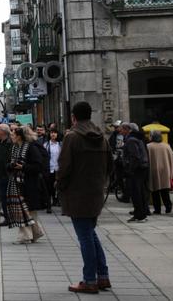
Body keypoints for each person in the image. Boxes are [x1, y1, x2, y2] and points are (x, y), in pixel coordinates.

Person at [57, 101, 113, 294]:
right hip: (96, 192)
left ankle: (90, 280)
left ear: (73, 117)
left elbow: (64, 167)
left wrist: (60, 185)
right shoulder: (102, 137)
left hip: (77, 194)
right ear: (90, 115)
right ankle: (103, 276)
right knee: (90, 233)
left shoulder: (72, 137)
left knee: (85, 237)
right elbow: (110, 166)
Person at [6, 126, 45, 244]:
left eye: (13, 134)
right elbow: (9, 163)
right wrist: (10, 166)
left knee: (25, 211)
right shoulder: (14, 148)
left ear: (19, 136)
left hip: (28, 184)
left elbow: (38, 166)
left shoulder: (31, 147)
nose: (11, 136)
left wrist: (23, 167)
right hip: (16, 183)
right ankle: (36, 233)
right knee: (26, 211)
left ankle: (25, 237)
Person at [120, 123, 149, 222]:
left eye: (122, 129)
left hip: (136, 169)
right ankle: (142, 213)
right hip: (141, 168)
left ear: (128, 129)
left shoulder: (131, 140)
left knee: (136, 192)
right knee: (139, 191)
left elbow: (135, 156)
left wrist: (130, 169)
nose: (121, 131)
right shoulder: (136, 138)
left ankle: (139, 215)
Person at [147, 130, 173, 214]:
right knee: (165, 190)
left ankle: (157, 209)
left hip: (153, 171)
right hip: (165, 170)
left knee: (155, 191)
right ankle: (168, 207)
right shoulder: (166, 146)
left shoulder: (148, 146)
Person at [0, 124, 13, 226]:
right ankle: (7, 217)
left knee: (9, 197)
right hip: (0, 175)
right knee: (3, 197)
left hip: (8, 175)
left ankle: (10, 217)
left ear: (3, 132)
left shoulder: (10, 143)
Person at [44, 129, 62, 213]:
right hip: (49, 169)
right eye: (51, 133)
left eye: (55, 133)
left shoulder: (60, 145)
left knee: (59, 187)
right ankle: (49, 205)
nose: (53, 134)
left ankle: (59, 201)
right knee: (49, 187)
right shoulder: (46, 145)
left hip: (58, 169)